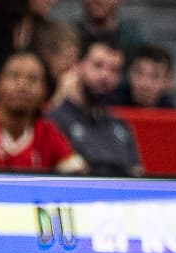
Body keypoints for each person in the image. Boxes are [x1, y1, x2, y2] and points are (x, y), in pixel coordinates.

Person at [0, 50, 87, 173]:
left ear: (45, 91)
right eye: (14, 76)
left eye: (33, 79)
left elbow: (78, 173)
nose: (22, 85)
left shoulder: (48, 132)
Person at [50, 39, 143, 175]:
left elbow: (137, 174)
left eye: (114, 70)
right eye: (98, 65)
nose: (105, 76)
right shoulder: (54, 122)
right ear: (77, 66)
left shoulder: (121, 126)